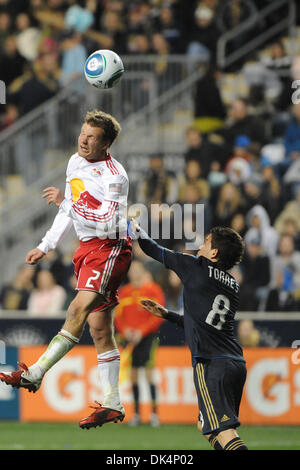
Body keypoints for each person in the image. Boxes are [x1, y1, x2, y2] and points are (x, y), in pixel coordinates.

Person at [0, 109, 132, 429]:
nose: (84, 141)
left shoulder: (116, 177)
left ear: (106, 144)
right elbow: (69, 211)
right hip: (85, 249)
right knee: (100, 328)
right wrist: (46, 245)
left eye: (92, 138)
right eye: (82, 134)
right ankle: (113, 401)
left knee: (77, 309)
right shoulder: (74, 162)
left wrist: (66, 204)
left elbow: (108, 223)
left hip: (109, 248)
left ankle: (35, 373)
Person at [131, 219, 248, 450]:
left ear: (214, 252)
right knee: (204, 424)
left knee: (224, 432)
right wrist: (167, 314)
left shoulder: (195, 266)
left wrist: (135, 228)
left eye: (206, 242)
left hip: (211, 363)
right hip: (235, 363)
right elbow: (202, 323)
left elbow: (152, 249)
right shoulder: (232, 285)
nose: (200, 246)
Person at [114, 260, 165, 427]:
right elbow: (117, 316)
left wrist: (141, 332)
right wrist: (125, 330)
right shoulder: (124, 292)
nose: (134, 273)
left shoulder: (152, 290)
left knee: (149, 373)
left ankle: (155, 415)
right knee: (133, 374)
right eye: (132, 270)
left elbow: (158, 314)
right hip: (130, 338)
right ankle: (136, 414)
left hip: (148, 337)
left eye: (137, 269)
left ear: (143, 271)